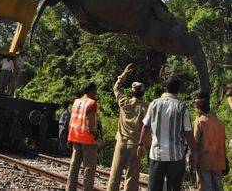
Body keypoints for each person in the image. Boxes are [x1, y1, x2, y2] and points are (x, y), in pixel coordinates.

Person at [137, 77, 197, 191]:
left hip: (156, 155)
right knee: (174, 188)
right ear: (177, 90)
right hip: (176, 157)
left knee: (154, 188)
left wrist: (140, 144)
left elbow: (146, 125)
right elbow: (188, 132)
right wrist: (194, 151)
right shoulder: (181, 106)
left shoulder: (154, 104)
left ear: (165, 89)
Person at [107, 63, 149, 191]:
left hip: (121, 142)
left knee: (114, 174)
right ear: (143, 92)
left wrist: (124, 74)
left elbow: (116, 88)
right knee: (131, 177)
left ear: (132, 91)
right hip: (135, 144)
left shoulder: (124, 101)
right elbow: (146, 127)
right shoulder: (145, 108)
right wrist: (145, 145)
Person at [66, 82, 98, 191]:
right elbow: (90, 121)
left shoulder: (76, 102)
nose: (96, 93)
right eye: (95, 91)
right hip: (87, 140)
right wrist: (95, 135)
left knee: (74, 166)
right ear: (91, 91)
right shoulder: (91, 103)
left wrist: (69, 138)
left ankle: (70, 188)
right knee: (89, 168)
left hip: (75, 138)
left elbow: (72, 120)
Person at [193, 92, 226, 191]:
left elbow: (194, 143)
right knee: (218, 187)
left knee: (206, 187)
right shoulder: (220, 123)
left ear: (199, 109)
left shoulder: (199, 122)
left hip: (204, 162)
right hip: (219, 161)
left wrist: (192, 161)